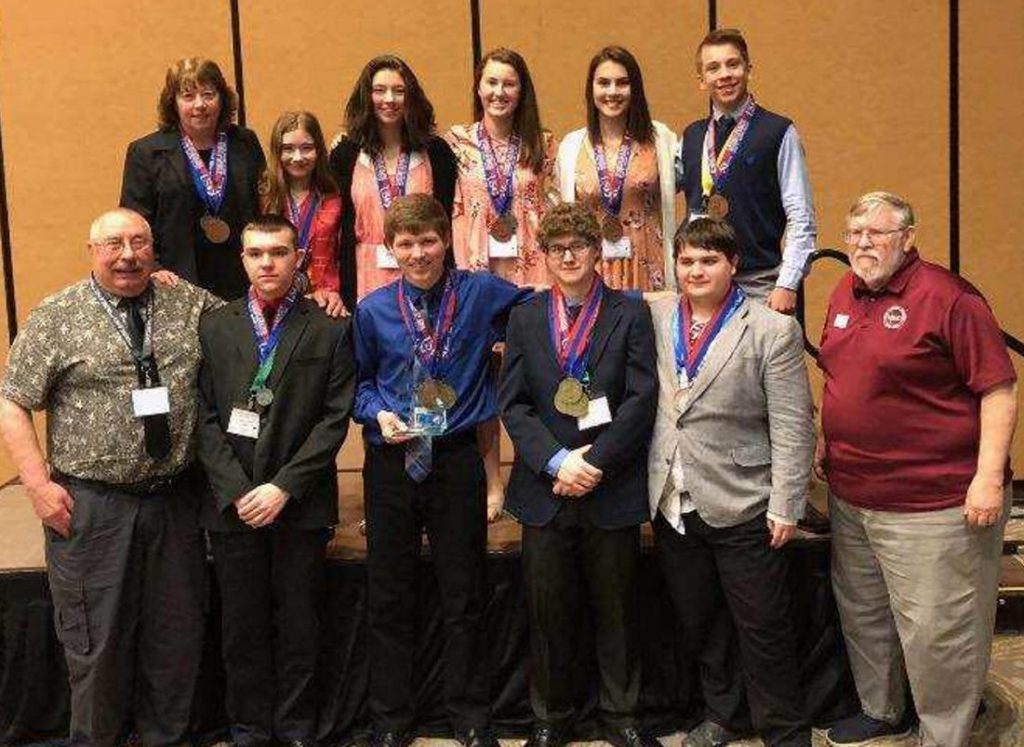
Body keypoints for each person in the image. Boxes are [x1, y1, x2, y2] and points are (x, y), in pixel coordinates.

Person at [0, 208, 220, 747]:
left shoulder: (189, 303)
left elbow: (255, 322)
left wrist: (315, 292)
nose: (127, 255)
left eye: (139, 242)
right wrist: (38, 486)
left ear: (154, 248)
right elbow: (12, 401)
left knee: (176, 637)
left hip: (174, 500)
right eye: (114, 244)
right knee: (95, 642)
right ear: (92, 251)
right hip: (92, 506)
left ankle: (166, 738)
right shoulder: (58, 315)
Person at [816, 192, 1018, 747]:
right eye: (855, 233)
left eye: (877, 234)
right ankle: (882, 710)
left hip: (934, 504)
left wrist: (987, 478)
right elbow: (841, 376)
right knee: (866, 615)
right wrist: (826, 437)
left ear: (907, 238)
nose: (863, 244)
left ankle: (943, 733)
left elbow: (998, 390)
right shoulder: (844, 291)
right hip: (854, 496)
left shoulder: (950, 298)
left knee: (939, 631)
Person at [353, 194, 531, 747]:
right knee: (389, 596)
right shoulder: (373, 310)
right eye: (405, 243)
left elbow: (539, 310)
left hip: (455, 460)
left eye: (428, 241)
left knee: (464, 595)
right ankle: (391, 720)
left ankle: (470, 716)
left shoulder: (481, 293)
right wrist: (377, 413)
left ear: (445, 240)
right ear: (390, 248)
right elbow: (359, 385)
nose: (418, 253)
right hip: (392, 461)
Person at [646, 217, 814, 747]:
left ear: (733, 264)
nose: (696, 270)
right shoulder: (655, 314)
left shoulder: (772, 330)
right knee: (702, 624)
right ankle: (725, 715)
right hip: (673, 500)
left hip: (745, 501)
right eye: (687, 261)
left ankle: (784, 731)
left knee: (762, 628)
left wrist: (787, 504)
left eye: (709, 260)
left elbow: (793, 425)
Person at [499, 202, 659, 747]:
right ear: (544, 256)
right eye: (557, 248)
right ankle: (551, 716)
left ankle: (622, 715)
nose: (568, 257)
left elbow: (641, 397)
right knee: (548, 611)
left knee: (618, 609)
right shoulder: (525, 317)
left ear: (597, 252)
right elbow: (514, 404)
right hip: (544, 488)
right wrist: (558, 461)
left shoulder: (629, 312)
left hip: (609, 484)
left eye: (579, 246)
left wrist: (593, 463)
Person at [196, 214, 355, 747]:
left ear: (299, 258)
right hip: (234, 504)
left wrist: (283, 487)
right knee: (241, 626)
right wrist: (239, 490)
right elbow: (202, 416)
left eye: (279, 252)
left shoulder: (329, 327)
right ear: (242, 259)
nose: (268, 263)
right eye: (257, 253)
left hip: (299, 504)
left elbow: (334, 419)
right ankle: (249, 727)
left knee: (300, 624)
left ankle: (296, 726)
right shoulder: (214, 326)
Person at [675, 29, 816, 312]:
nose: (724, 75)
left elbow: (801, 215)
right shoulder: (691, 136)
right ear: (702, 80)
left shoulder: (778, 132)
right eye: (713, 68)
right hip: (699, 283)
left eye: (733, 64)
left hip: (758, 283)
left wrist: (787, 284)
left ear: (748, 69)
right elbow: (650, 191)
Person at [121, 57, 265, 301]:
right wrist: (154, 268)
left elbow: (261, 207)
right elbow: (133, 221)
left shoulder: (245, 142)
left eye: (208, 94)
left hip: (241, 278)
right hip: (175, 281)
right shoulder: (146, 153)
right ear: (173, 103)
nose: (200, 104)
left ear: (222, 98)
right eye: (188, 96)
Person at [329, 54, 458, 309]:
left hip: (423, 268)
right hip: (365, 275)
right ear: (367, 97)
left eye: (399, 91)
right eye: (379, 90)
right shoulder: (345, 153)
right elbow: (336, 227)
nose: (389, 99)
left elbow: (448, 220)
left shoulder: (436, 152)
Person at [556, 45, 677, 291]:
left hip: (649, 266)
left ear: (635, 89)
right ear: (591, 88)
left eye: (622, 83)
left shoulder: (660, 139)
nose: (612, 91)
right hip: (592, 269)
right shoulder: (571, 146)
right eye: (604, 83)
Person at [446, 47, 558, 286]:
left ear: (521, 91)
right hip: (476, 267)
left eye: (509, 84)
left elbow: (558, 209)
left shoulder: (543, 144)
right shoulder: (457, 143)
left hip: (534, 267)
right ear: (478, 88)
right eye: (492, 82)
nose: (499, 92)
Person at [262, 110, 346, 317]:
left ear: (319, 150)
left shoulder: (335, 196)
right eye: (288, 149)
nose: (298, 157)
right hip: (274, 298)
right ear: (277, 152)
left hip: (326, 299)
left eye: (307, 148)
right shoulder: (264, 196)